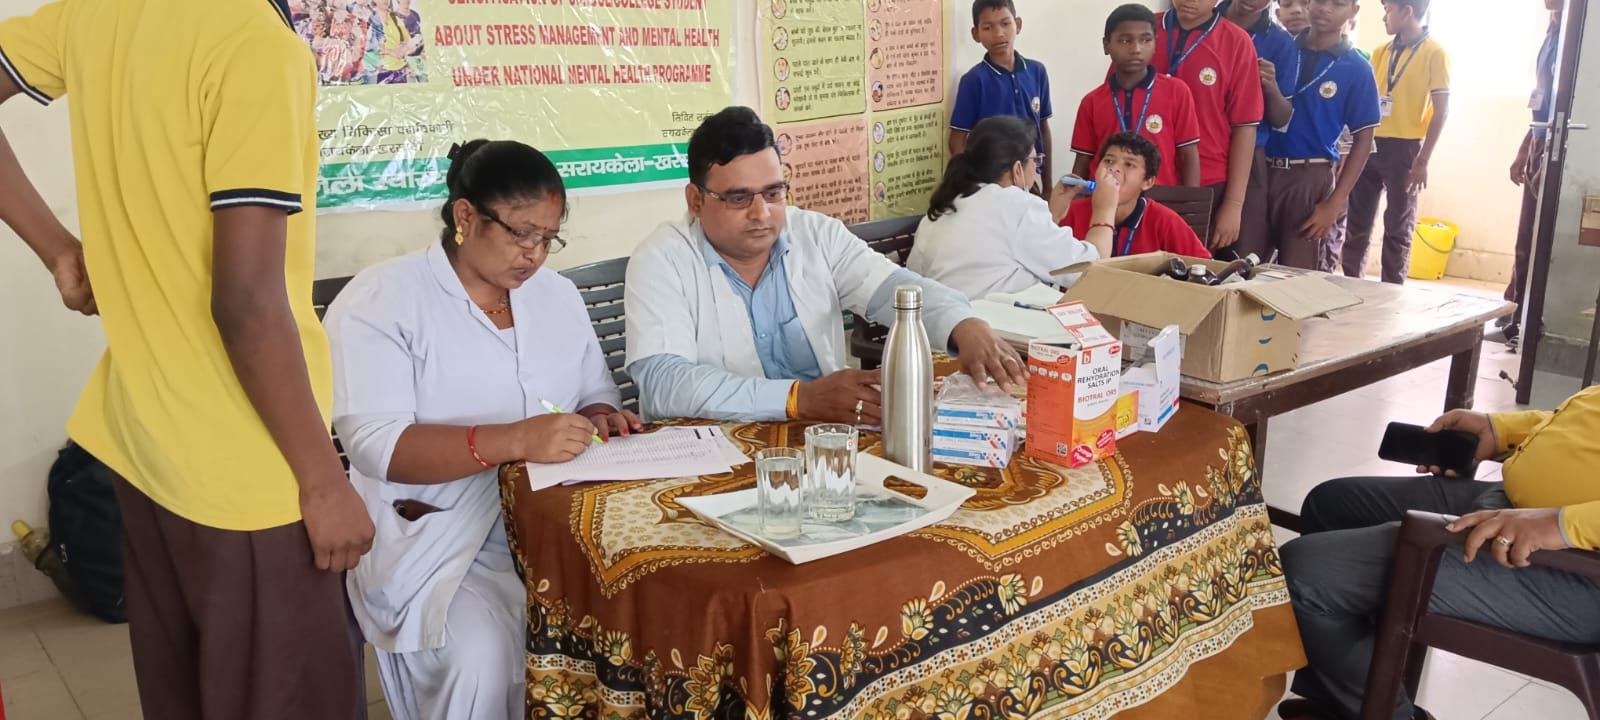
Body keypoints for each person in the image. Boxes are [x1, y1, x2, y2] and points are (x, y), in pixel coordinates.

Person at [0, 0, 373, 717]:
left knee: (188, 693)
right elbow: (245, 303)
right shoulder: (254, 45)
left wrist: (59, 252)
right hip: (247, 468)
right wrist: (324, 482)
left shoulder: (98, 14)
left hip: (143, 442)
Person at [327, 140, 638, 720]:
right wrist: (515, 440)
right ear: (465, 216)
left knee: (632, 618)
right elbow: (376, 445)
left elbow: (595, 393)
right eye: (521, 233)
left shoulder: (556, 295)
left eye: (548, 238)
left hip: (554, 524)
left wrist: (601, 416)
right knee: (485, 653)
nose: (534, 254)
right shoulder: (383, 300)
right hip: (439, 538)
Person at [626, 107, 1026, 426]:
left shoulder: (814, 234)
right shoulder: (662, 260)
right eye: (738, 198)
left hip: (824, 440)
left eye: (773, 192)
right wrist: (797, 398)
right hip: (716, 453)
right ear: (696, 200)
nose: (761, 213)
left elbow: (892, 288)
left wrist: (961, 322)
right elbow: (665, 384)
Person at [1277, 386, 1600, 720]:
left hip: (1575, 563)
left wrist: (1561, 524)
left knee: (1305, 576)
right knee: (1333, 505)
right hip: (1519, 506)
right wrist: (1502, 430)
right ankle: (1348, 704)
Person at [909, 116, 1118, 300]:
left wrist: (1051, 215)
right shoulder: (1017, 205)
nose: (1036, 167)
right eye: (1035, 160)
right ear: (1017, 168)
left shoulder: (945, 205)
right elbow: (1089, 269)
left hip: (944, 326)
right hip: (994, 328)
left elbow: (1007, 245)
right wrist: (1105, 209)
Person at [1260, 0, 1381, 270]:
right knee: (1248, 263)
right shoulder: (1282, 49)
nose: (1326, 8)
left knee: (1296, 273)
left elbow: (1364, 139)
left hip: (1309, 176)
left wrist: (1335, 203)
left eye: (1338, 4)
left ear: (1353, 12)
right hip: (1261, 168)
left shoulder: (1357, 68)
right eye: (1320, 0)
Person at [1338, 0, 1451, 284]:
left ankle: (1392, 288)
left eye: (1388, 10)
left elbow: (1441, 111)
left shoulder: (1435, 52)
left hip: (1406, 148)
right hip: (1370, 143)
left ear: (1407, 11)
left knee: (1398, 225)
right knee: (1357, 222)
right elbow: (1363, 103)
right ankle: (1352, 282)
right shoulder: (1380, 52)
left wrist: (1422, 160)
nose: (1384, 17)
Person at [1153, 0, 1264, 253]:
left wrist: (1234, 204)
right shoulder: (1143, 30)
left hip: (1207, 183)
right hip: (1146, 180)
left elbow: (1245, 127)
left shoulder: (1236, 42)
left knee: (1193, 267)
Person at [1071, 3, 1202, 188]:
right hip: (1105, 198)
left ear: (1155, 43)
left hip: (1160, 198)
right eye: (1125, 41)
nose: (1136, 49)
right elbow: (1082, 163)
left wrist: (1191, 202)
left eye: (1146, 40)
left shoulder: (1177, 92)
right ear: (1106, 45)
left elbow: (1188, 155)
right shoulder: (1091, 102)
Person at [1501, 0, 1565, 348]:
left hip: (1559, 147)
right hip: (1540, 141)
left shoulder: (1576, 33)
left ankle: (1530, 323)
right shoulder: (1552, 31)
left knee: (1542, 240)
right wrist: (1525, 147)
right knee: (1525, 237)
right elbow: (1541, 102)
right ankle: (1515, 313)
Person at [1220, 0, 1299, 261]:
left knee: (1239, 255)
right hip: (1197, 150)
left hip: (1250, 156)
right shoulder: (1204, 22)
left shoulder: (1281, 42)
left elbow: (1282, 119)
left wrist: (1271, 87)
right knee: (1187, 249)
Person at [949, 0, 1054, 196]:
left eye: (1005, 24)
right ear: (975, 34)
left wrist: (1048, 186)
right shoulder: (973, 80)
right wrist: (972, 186)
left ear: (1018, 24)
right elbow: (957, 140)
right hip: (991, 184)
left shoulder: (1037, 72)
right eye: (987, 27)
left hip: (1031, 177)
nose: (998, 33)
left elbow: (1043, 129)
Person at [1061, 133, 1211, 259]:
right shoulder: (1070, 212)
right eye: (1108, 161)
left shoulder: (1165, 221)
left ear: (1147, 182)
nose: (1114, 168)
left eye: (1129, 164)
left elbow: (1207, 267)